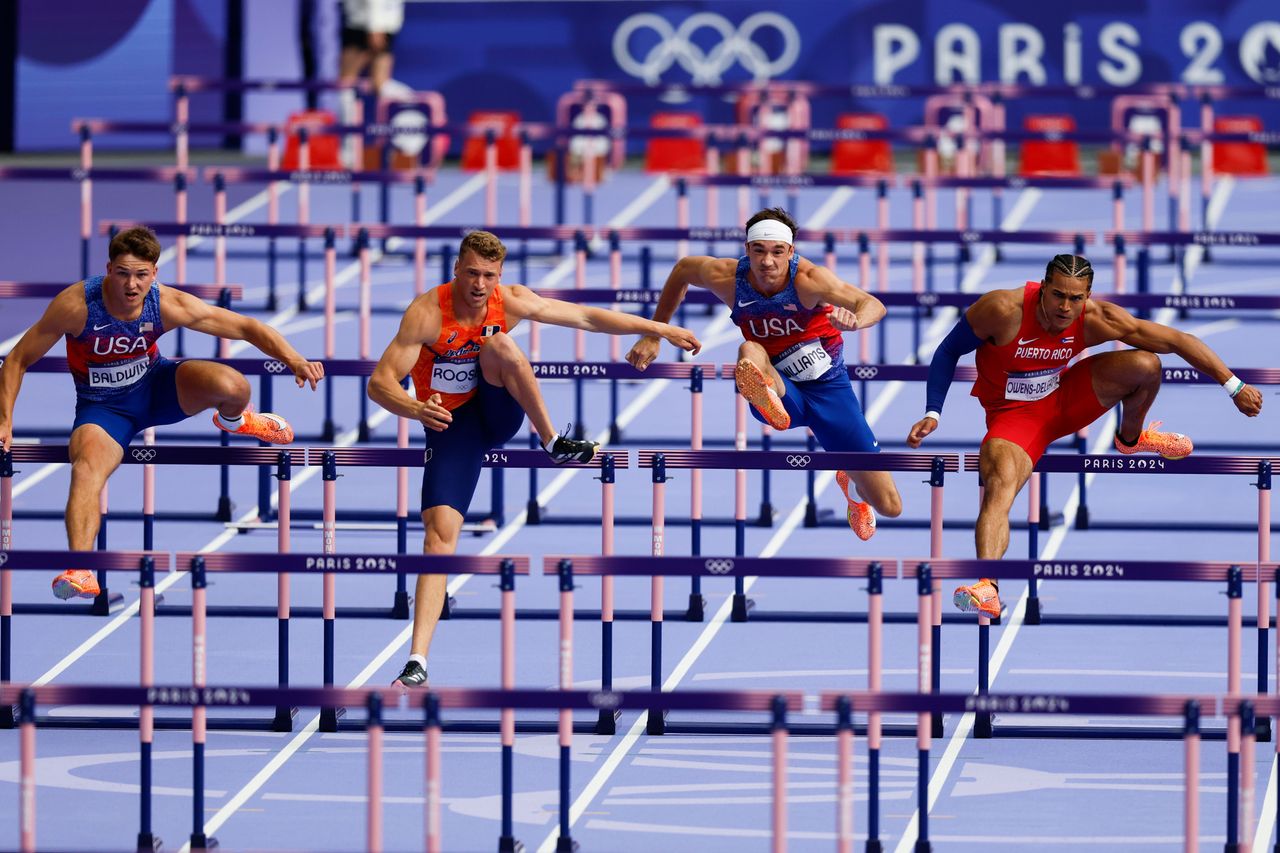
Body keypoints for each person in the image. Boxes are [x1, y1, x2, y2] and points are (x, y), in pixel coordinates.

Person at [369, 230, 701, 689]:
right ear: (456, 271)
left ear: (499, 277)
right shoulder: (426, 313)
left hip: (498, 409)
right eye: (471, 273)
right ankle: (418, 658)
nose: (479, 284)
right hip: (451, 423)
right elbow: (380, 383)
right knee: (438, 535)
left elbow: (584, 316)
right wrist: (414, 408)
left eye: (488, 276)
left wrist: (656, 327)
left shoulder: (512, 300)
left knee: (499, 346)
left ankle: (552, 441)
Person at [907, 253, 1264, 617]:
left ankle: (1131, 438)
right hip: (1014, 418)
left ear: (1088, 296)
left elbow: (1177, 339)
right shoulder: (1001, 309)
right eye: (1058, 295)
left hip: (1066, 398)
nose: (1065, 306)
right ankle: (988, 587)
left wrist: (1233, 386)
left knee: (1146, 363)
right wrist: (933, 410)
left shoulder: (1097, 318)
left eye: (1076, 298)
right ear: (1042, 287)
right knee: (999, 482)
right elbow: (949, 349)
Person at [0, 226, 325, 600]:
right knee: (87, 466)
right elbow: (17, 359)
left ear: (154, 273)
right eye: (122, 273)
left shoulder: (166, 303)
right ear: (108, 269)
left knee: (234, 386)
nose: (131, 285)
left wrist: (294, 359)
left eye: (141, 275)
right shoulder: (77, 306)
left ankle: (236, 419)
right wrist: (5, 421)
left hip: (158, 387)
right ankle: (81, 568)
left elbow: (245, 327)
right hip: (104, 409)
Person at [626, 207, 903, 540]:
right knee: (749, 351)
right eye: (758, 251)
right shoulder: (727, 277)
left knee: (890, 506)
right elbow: (683, 269)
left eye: (776, 252)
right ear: (747, 250)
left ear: (790, 252)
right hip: (777, 386)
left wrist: (856, 320)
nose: (767, 261)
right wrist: (654, 333)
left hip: (828, 390)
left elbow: (872, 304)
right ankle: (767, 395)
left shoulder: (810, 280)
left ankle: (853, 487)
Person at [338, 0, 405, 96]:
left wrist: (374, 27)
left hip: (366, 26)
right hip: (375, 24)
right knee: (349, 82)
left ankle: (413, 103)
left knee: (347, 81)